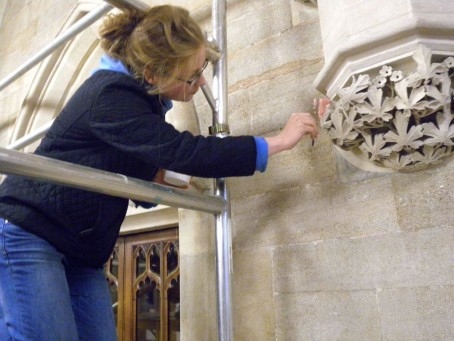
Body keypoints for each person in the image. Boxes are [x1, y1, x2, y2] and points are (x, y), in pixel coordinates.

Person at [0, 4, 326, 341]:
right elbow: (182, 151)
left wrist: (159, 182)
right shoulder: (111, 94)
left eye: (202, 69)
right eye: (192, 75)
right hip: (30, 229)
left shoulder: (139, 102)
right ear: (154, 74)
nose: (201, 81)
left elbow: (129, 164)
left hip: (81, 247)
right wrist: (275, 142)